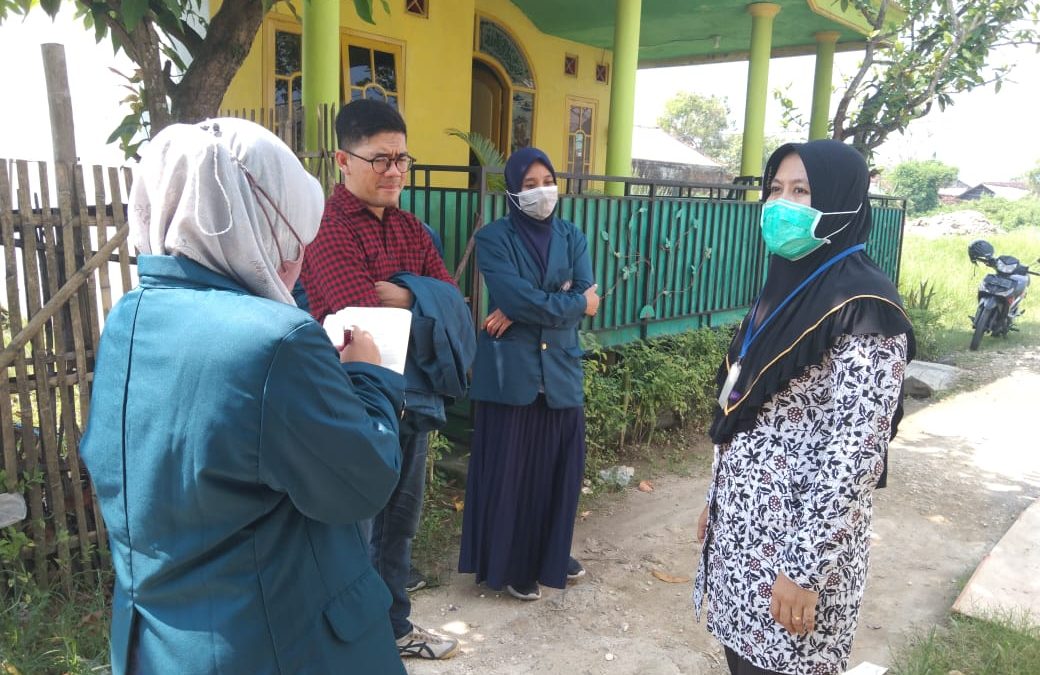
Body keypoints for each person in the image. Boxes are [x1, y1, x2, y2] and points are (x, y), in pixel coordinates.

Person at [80, 118, 407, 674]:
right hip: (276, 641)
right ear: (258, 222)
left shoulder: (129, 319)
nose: (295, 258)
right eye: (292, 235)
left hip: (162, 642)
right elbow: (363, 482)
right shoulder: (276, 340)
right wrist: (366, 378)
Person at [694, 139, 915, 675]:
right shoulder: (789, 287)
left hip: (795, 551)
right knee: (742, 663)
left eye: (801, 191)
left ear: (841, 204)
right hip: (745, 534)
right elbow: (746, 405)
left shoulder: (865, 307)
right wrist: (716, 498)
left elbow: (855, 453)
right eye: (775, 189)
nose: (780, 205)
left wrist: (803, 570)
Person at [301, 99, 472, 661]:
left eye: (402, 158)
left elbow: (456, 304)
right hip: (351, 405)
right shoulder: (325, 230)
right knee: (357, 529)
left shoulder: (413, 229)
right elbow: (359, 320)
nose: (394, 171)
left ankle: (396, 626)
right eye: (379, 159)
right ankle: (351, 644)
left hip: (414, 403)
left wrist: (407, 295)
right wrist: (425, 299)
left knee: (401, 524)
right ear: (341, 160)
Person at [458, 147, 600, 601]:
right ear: (514, 191)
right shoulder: (493, 238)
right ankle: (514, 566)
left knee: (559, 471)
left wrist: (527, 305)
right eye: (530, 183)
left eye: (547, 180)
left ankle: (550, 555)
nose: (542, 190)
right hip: (511, 375)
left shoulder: (573, 236)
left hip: (559, 372)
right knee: (511, 471)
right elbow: (572, 301)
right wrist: (565, 300)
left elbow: (574, 295)